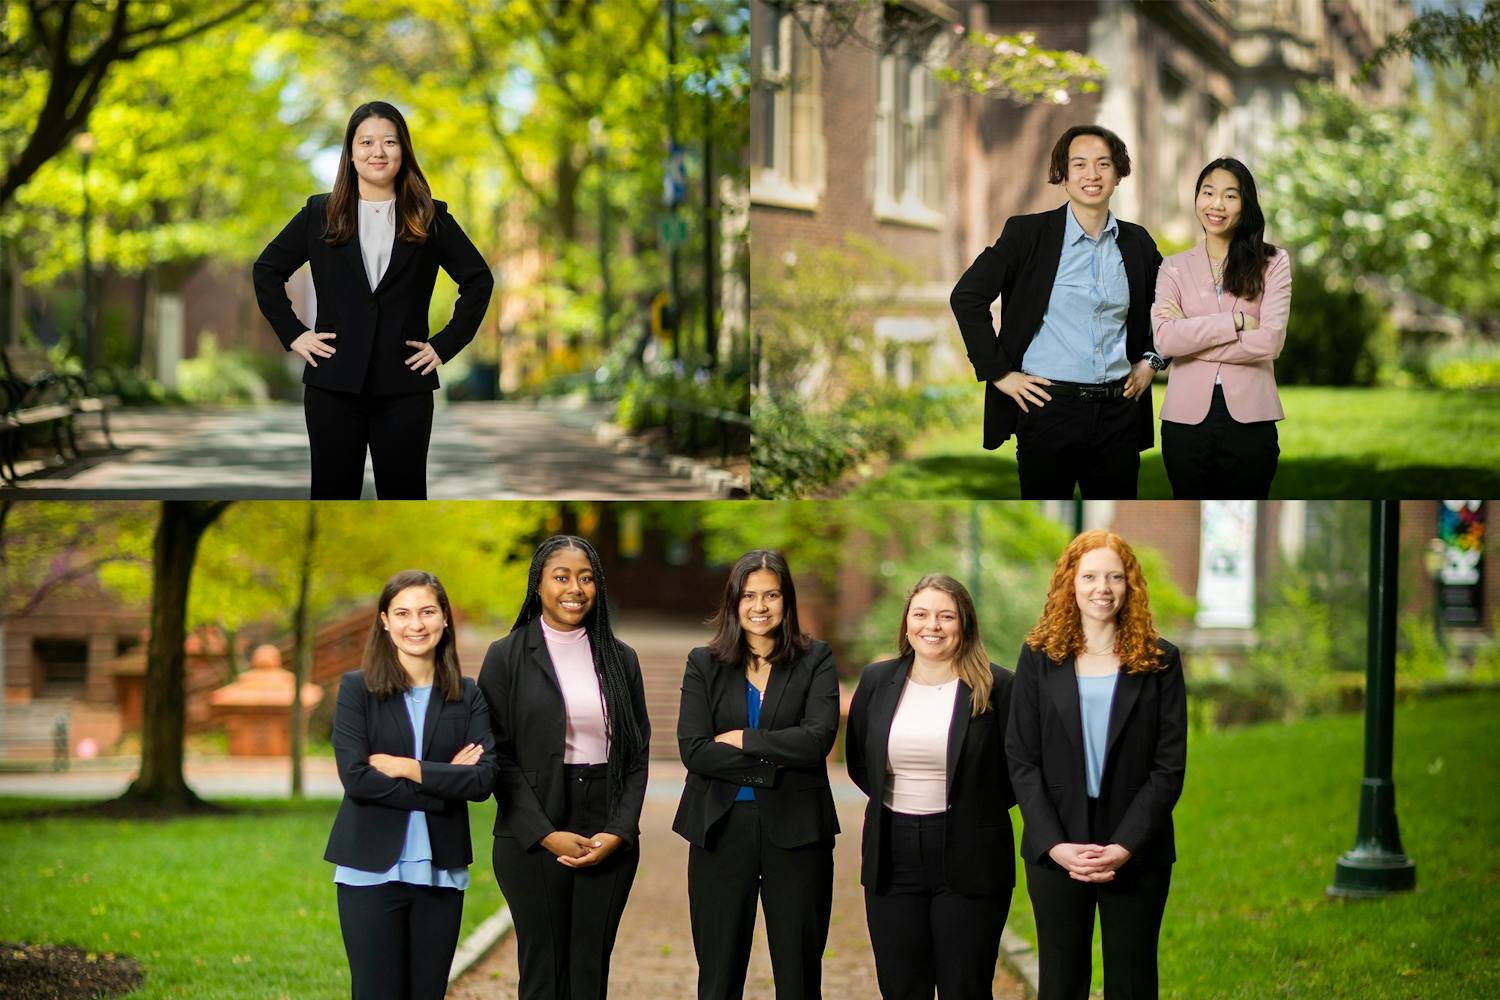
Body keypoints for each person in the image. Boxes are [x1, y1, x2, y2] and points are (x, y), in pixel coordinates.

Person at [253, 101, 494, 500]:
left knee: (405, 495)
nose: (377, 152)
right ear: (350, 152)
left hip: (405, 386)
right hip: (333, 384)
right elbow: (266, 271)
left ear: (404, 150)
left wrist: (445, 345)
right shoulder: (320, 213)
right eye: (366, 142)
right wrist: (295, 334)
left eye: (389, 142)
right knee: (332, 495)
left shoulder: (429, 217)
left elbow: (478, 280)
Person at [1007, 531, 1187, 1000]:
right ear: (1071, 583)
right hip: (1057, 847)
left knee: (1132, 982)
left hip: (1137, 848)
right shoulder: (1038, 658)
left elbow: (1168, 768)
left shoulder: (1161, 661)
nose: (1101, 588)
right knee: (1061, 983)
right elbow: (1021, 760)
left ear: (1131, 587)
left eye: (1114, 577)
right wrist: (1055, 844)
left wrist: (1125, 845)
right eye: (1089, 576)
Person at [950, 124, 1167, 500]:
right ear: (1063, 176)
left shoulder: (1137, 243)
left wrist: (1151, 359)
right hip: (1049, 411)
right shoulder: (1027, 234)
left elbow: (1170, 306)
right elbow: (967, 296)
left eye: (1103, 164)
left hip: (1119, 412)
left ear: (1118, 174)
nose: (1092, 175)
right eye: (1079, 164)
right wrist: (999, 372)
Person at [478, 535, 651, 1000]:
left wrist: (620, 829)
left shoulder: (621, 659)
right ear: (538, 585)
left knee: (589, 972)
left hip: (606, 824)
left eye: (587, 577)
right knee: (544, 972)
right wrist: (545, 833)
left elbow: (637, 756)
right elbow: (498, 756)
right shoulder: (506, 656)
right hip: (533, 827)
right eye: (561, 576)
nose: (575, 587)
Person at [673, 550, 840, 1000]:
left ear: (787, 600)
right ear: (734, 601)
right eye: (749, 595)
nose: (760, 606)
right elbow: (694, 750)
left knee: (799, 974)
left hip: (799, 830)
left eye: (771, 595)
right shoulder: (703, 662)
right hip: (720, 830)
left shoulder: (815, 659)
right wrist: (778, 761)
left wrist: (744, 741)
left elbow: (817, 740)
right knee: (719, 974)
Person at [325, 570, 498, 1000]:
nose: (415, 624)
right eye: (402, 613)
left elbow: (482, 780)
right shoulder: (356, 690)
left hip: (441, 873)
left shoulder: (468, 695)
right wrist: (443, 787)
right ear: (384, 620)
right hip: (368, 872)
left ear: (444, 620)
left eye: (426, 612)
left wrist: (408, 767)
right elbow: (357, 778)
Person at [846, 573, 1016, 999]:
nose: (932, 626)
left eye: (946, 616)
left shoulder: (997, 687)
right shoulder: (876, 681)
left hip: (971, 851)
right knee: (902, 986)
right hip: (892, 850)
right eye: (921, 614)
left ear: (965, 624)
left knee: (965, 986)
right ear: (907, 623)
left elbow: (1016, 774)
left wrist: (974, 811)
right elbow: (860, 762)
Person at [1152, 157, 1292, 499]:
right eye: (1208, 192)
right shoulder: (1172, 268)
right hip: (1185, 423)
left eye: (1230, 195)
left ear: (1246, 204)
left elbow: (1270, 342)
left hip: (1251, 421)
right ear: (1197, 197)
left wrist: (1192, 338)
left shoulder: (1272, 263)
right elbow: (1165, 340)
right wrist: (1236, 322)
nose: (1217, 204)